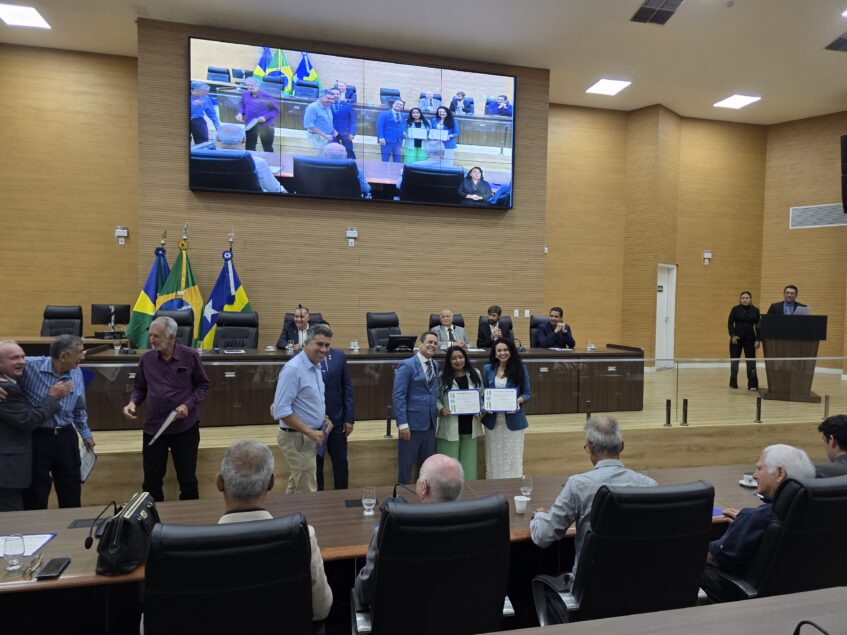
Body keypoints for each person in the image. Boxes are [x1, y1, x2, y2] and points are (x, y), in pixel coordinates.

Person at [530, 416, 656, 586]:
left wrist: (538, 517)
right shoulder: (649, 485)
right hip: (639, 585)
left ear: (590, 447)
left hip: (589, 590)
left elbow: (543, 536)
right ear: (622, 446)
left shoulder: (578, 485)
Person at [215, 440, 332, 622]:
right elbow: (320, 610)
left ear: (219, 482)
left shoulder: (191, 546)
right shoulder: (302, 536)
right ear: (271, 482)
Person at [702, 444, 815, 600]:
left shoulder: (758, 517)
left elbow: (714, 557)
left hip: (738, 596)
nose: (754, 475)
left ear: (780, 473)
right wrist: (744, 522)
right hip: (800, 595)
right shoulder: (818, 512)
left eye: (759, 468)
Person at [354, 454, 464, 606]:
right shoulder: (477, 526)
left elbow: (364, 593)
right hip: (456, 612)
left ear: (424, 488)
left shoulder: (388, 531)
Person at [123, 316, 209, 502]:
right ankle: (153, 518)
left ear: (171, 337)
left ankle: (190, 517)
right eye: (150, 335)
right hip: (154, 428)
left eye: (157, 336)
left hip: (184, 428)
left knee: (188, 481)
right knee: (151, 482)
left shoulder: (190, 356)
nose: (151, 340)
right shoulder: (146, 359)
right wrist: (133, 403)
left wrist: (188, 405)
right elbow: (140, 388)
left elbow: (203, 386)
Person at [19, 335, 95, 510]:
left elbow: (79, 408)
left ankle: (70, 526)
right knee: (36, 492)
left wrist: (85, 433)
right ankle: (37, 526)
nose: (83, 357)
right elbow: (5, 363)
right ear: (63, 356)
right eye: (79, 352)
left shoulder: (76, 370)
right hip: (37, 437)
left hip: (66, 436)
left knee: (71, 489)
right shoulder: (30, 366)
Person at [0, 341, 71, 512]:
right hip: (7, 472)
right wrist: (52, 398)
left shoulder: (12, 381)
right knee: (12, 519)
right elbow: (28, 420)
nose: (21, 361)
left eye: (23, 357)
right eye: (14, 358)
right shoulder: (6, 388)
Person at [272, 323, 333, 493]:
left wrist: (323, 418)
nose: (324, 350)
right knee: (306, 491)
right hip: (297, 438)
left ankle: (290, 511)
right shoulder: (293, 369)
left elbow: (307, 401)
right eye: (319, 344)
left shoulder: (316, 365)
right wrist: (309, 432)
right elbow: (281, 410)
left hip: (307, 436)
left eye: (327, 345)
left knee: (298, 486)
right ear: (306, 343)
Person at [392, 331, 440, 484]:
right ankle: (403, 495)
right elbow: (398, 396)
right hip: (411, 425)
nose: (432, 345)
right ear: (420, 344)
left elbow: (433, 392)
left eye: (435, 343)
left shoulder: (435, 365)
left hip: (430, 423)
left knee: (426, 467)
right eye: (429, 342)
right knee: (406, 465)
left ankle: (423, 495)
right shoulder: (407, 365)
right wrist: (403, 424)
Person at [481, 338, 531, 479]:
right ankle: (494, 485)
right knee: (495, 457)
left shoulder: (521, 369)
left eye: (505, 350)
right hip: (493, 421)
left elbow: (527, 394)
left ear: (511, 351)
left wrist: (518, 400)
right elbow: (484, 393)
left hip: (514, 420)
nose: (502, 353)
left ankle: (513, 485)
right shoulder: (488, 369)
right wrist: (484, 405)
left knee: (512, 458)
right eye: (499, 350)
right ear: (495, 353)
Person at [436, 346, 483, 479]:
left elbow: (482, 396)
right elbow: (434, 398)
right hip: (449, 423)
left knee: (469, 465)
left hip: (470, 424)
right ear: (449, 361)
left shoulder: (476, 374)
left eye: (460, 357)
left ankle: (469, 490)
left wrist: (481, 408)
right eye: (453, 358)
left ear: (465, 358)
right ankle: (448, 490)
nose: (458, 361)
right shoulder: (442, 376)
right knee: (448, 466)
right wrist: (441, 408)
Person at [315, 343, 355, 490]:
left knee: (341, 463)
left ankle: (341, 497)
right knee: (316, 465)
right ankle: (317, 498)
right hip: (314, 421)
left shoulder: (338, 355)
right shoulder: (304, 357)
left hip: (337, 419)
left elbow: (347, 387)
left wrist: (349, 418)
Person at [216, 123, 284, 193]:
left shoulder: (208, 159)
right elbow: (277, 191)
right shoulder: (258, 162)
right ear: (244, 140)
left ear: (217, 139)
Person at [235, 77, 280, 152]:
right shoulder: (245, 95)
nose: (250, 87)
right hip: (250, 125)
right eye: (248, 85)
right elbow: (243, 106)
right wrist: (240, 113)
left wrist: (265, 117)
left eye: (252, 85)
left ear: (258, 86)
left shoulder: (267, 96)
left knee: (267, 147)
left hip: (266, 126)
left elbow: (276, 110)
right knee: (249, 147)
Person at [727, 291, 760, 390]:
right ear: (740, 299)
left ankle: (752, 384)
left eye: (747, 298)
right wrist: (733, 335)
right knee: (734, 361)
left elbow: (758, 326)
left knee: (751, 362)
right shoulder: (735, 309)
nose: (745, 300)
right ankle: (733, 383)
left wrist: (758, 339)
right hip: (736, 339)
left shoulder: (755, 310)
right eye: (743, 298)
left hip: (750, 339)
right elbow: (730, 323)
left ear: (750, 299)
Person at [303, 89, 337, 155]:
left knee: (324, 156)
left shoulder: (327, 106)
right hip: (317, 137)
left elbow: (326, 121)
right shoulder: (312, 108)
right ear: (321, 97)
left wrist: (333, 130)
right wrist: (324, 135)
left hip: (327, 137)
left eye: (332, 99)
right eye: (328, 98)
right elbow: (308, 125)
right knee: (318, 157)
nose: (331, 101)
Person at [329, 86, 357, 159]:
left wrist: (352, 133)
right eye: (333, 94)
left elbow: (353, 120)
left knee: (349, 151)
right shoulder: (327, 106)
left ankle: (352, 164)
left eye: (337, 94)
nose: (335, 95)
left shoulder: (347, 105)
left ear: (340, 95)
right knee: (333, 152)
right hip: (332, 133)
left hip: (346, 133)